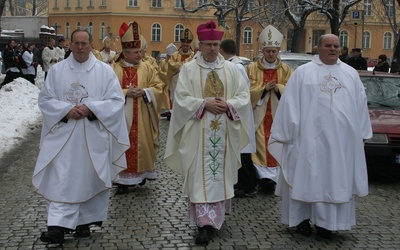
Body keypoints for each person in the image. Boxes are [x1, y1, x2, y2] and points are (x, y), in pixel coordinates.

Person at [268, 34, 372, 239]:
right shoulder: (303, 73)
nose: (333, 49)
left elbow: (361, 104)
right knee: (306, 179)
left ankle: (328, 224)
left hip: (342, 143)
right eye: (328, 45)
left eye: (336, 46)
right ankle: (302, 221)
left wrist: (361, 133)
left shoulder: (350, 74)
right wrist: (287, 134)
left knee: (334, 180)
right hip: (308, 140)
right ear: (318, 48)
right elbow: (290, 104)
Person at [33, 29, 130, 246]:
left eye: (84, 44)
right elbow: (46, 99)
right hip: (63, 138)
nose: (79, 48)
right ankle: (56, 227)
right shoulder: (57, 71)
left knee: (89, 178)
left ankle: (83, 223)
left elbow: (115, 101)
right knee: (61, 180)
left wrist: (91, 108)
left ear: (91, 44)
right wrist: (66, 109)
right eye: (76, 44)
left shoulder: (104, 72)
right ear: (70, 45)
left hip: (92, 137)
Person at [164, 20, 252, 245]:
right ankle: (205, 223)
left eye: (215, 44)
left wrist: (229, 105)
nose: (212, 48)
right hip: (197, 133)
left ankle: (217, 217)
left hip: (225, 133)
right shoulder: (189, 69)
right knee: (199, 176)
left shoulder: (231, 69)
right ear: (199, 45)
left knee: (220, 175)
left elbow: (244, 97)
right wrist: (204, 104)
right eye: (207, 44)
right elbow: (181, 99)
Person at [112, 21, 164, 194]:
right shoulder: (113, 69)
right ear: (125, 53)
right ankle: (121, 180)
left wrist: (145, 92)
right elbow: (106, 93)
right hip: (120, 118)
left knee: (141, 144)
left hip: (142, 115)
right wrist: (126, 92)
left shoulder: (148, 67)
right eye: (136, 52)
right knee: (121, 144)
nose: (140, 54)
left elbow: (158, 88)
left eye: (141, 51)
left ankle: (139, 176)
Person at [246, 25, 292, 193]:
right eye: (268, 51)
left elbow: (291, 90)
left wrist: (278, 88)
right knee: (259, 144)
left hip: (278, 115)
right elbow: (246, 90)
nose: (271, 54)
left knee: (277, 142)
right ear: (263, 51)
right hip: (259, 115)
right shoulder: (252, 68)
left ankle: (276, 178)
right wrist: (264, 89)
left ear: (278, 51)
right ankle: (263, 177)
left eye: (274, 51)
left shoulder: (286, 69)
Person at [219, 38, 257, 197]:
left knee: (243, 152)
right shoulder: (233, 65)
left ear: (222, 50)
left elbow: (242, 91)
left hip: (239, 114)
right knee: (238, 151)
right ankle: (241, 183)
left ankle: (249, 185)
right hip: (234, 112)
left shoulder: (236, 67)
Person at [167, 28, 195, 105]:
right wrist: (182, 66)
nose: (185, 47)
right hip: (177, 82)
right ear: (181, 45)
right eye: (184, 45)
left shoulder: (193, 56)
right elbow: (170, 64)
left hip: (190, 81)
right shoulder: (175, 55)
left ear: (190, 45)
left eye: (187, 45)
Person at [158, 43, 178, 119]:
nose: (170, 58)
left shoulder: (175, 62)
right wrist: (167, 75)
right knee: (166, 93)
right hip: (165, 82)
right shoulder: (163, 62)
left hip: (174, 82)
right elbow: (159, 71)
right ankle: (167, 112)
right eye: (169, 56)